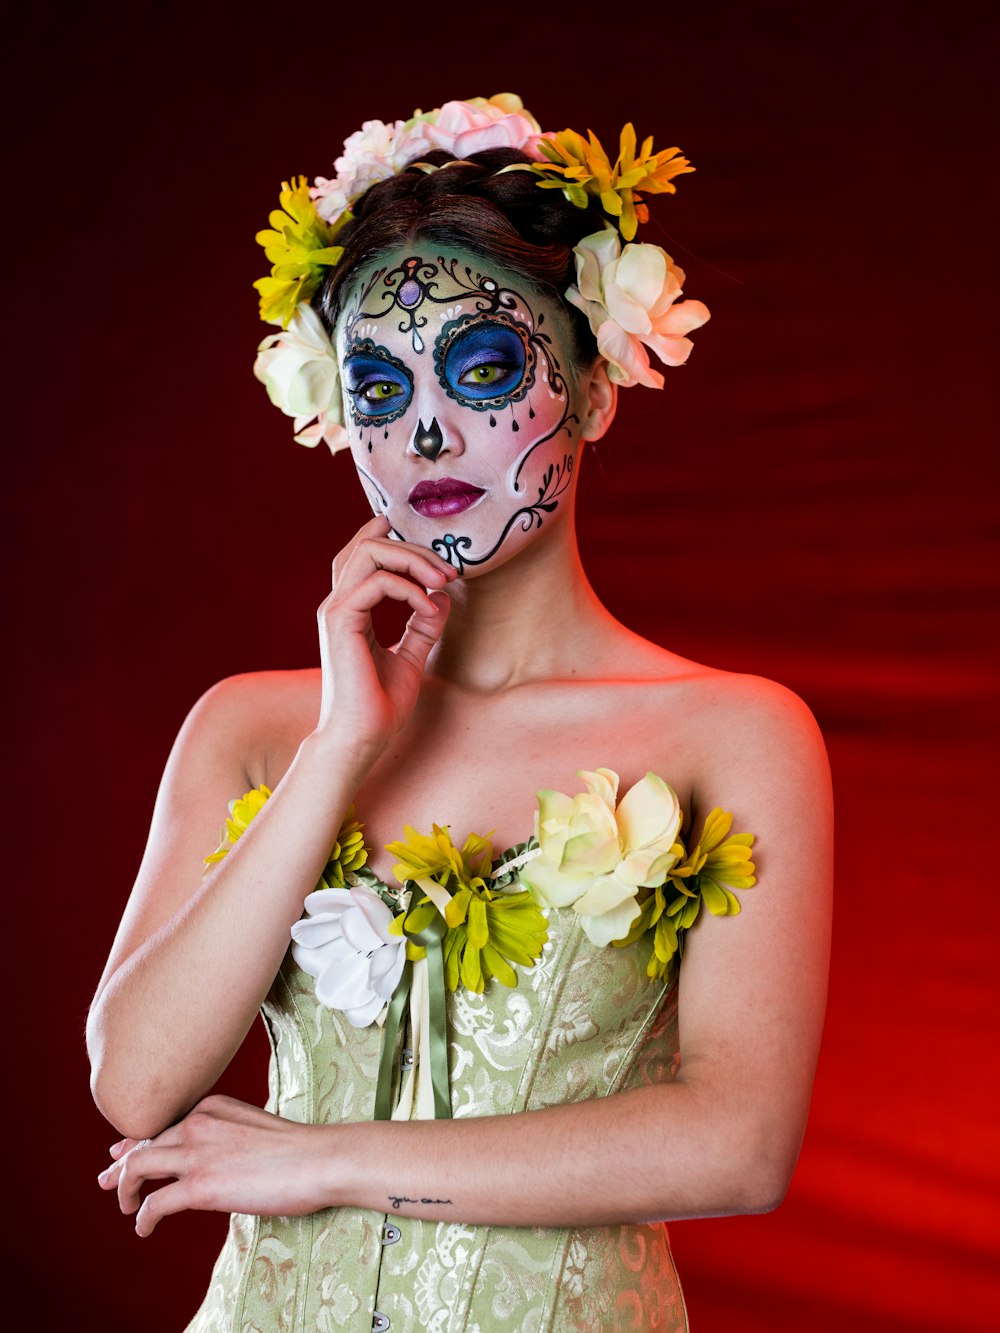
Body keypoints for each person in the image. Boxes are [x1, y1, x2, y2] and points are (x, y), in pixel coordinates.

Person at [88, 94, 832, 1331]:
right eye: (379, 384)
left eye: (483, 370)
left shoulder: (733, 733)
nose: (426, 426)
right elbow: (135, 1082)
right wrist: (339, 750)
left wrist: (324, 1157)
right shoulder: (259, 728)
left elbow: (737, 1143)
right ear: (338, 415)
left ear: (592, 393)